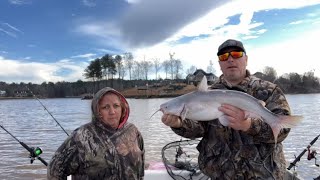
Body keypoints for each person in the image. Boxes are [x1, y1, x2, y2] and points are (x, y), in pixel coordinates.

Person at [161, 39, 293, 179]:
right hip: (219, 175)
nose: (230, 59)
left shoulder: (270, 91)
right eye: (224, 57)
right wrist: (179, 124)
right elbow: (199, 128)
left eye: (236, 54)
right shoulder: (206, 94)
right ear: (220, 64)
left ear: (246, 59)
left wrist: (249, 125)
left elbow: (283, 132)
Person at [47, 87, 145, 180]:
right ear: (97, 110)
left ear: (123, 108)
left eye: (116, 106)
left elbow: (141, 168)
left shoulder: (132, 131)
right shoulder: (81, 136)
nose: (112, 111)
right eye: (105, 107)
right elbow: (54, 170)